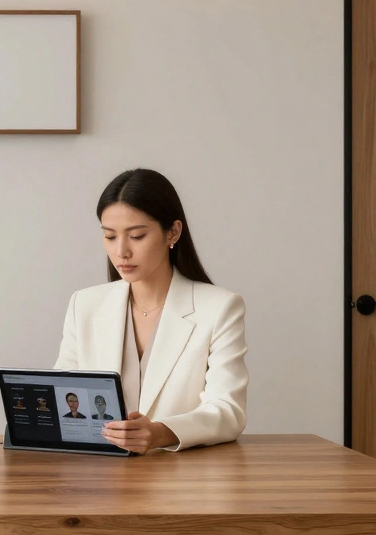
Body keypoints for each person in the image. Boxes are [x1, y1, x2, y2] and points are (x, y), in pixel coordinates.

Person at [55, 168, 248, 453]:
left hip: (180, 481)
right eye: (109, 237)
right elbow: (63, 397)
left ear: (173, 232)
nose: (121, 251)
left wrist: (160, 433)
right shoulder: (84, 305)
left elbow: (228, 411)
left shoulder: (219, 308)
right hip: (99, 480)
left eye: (136, 236)